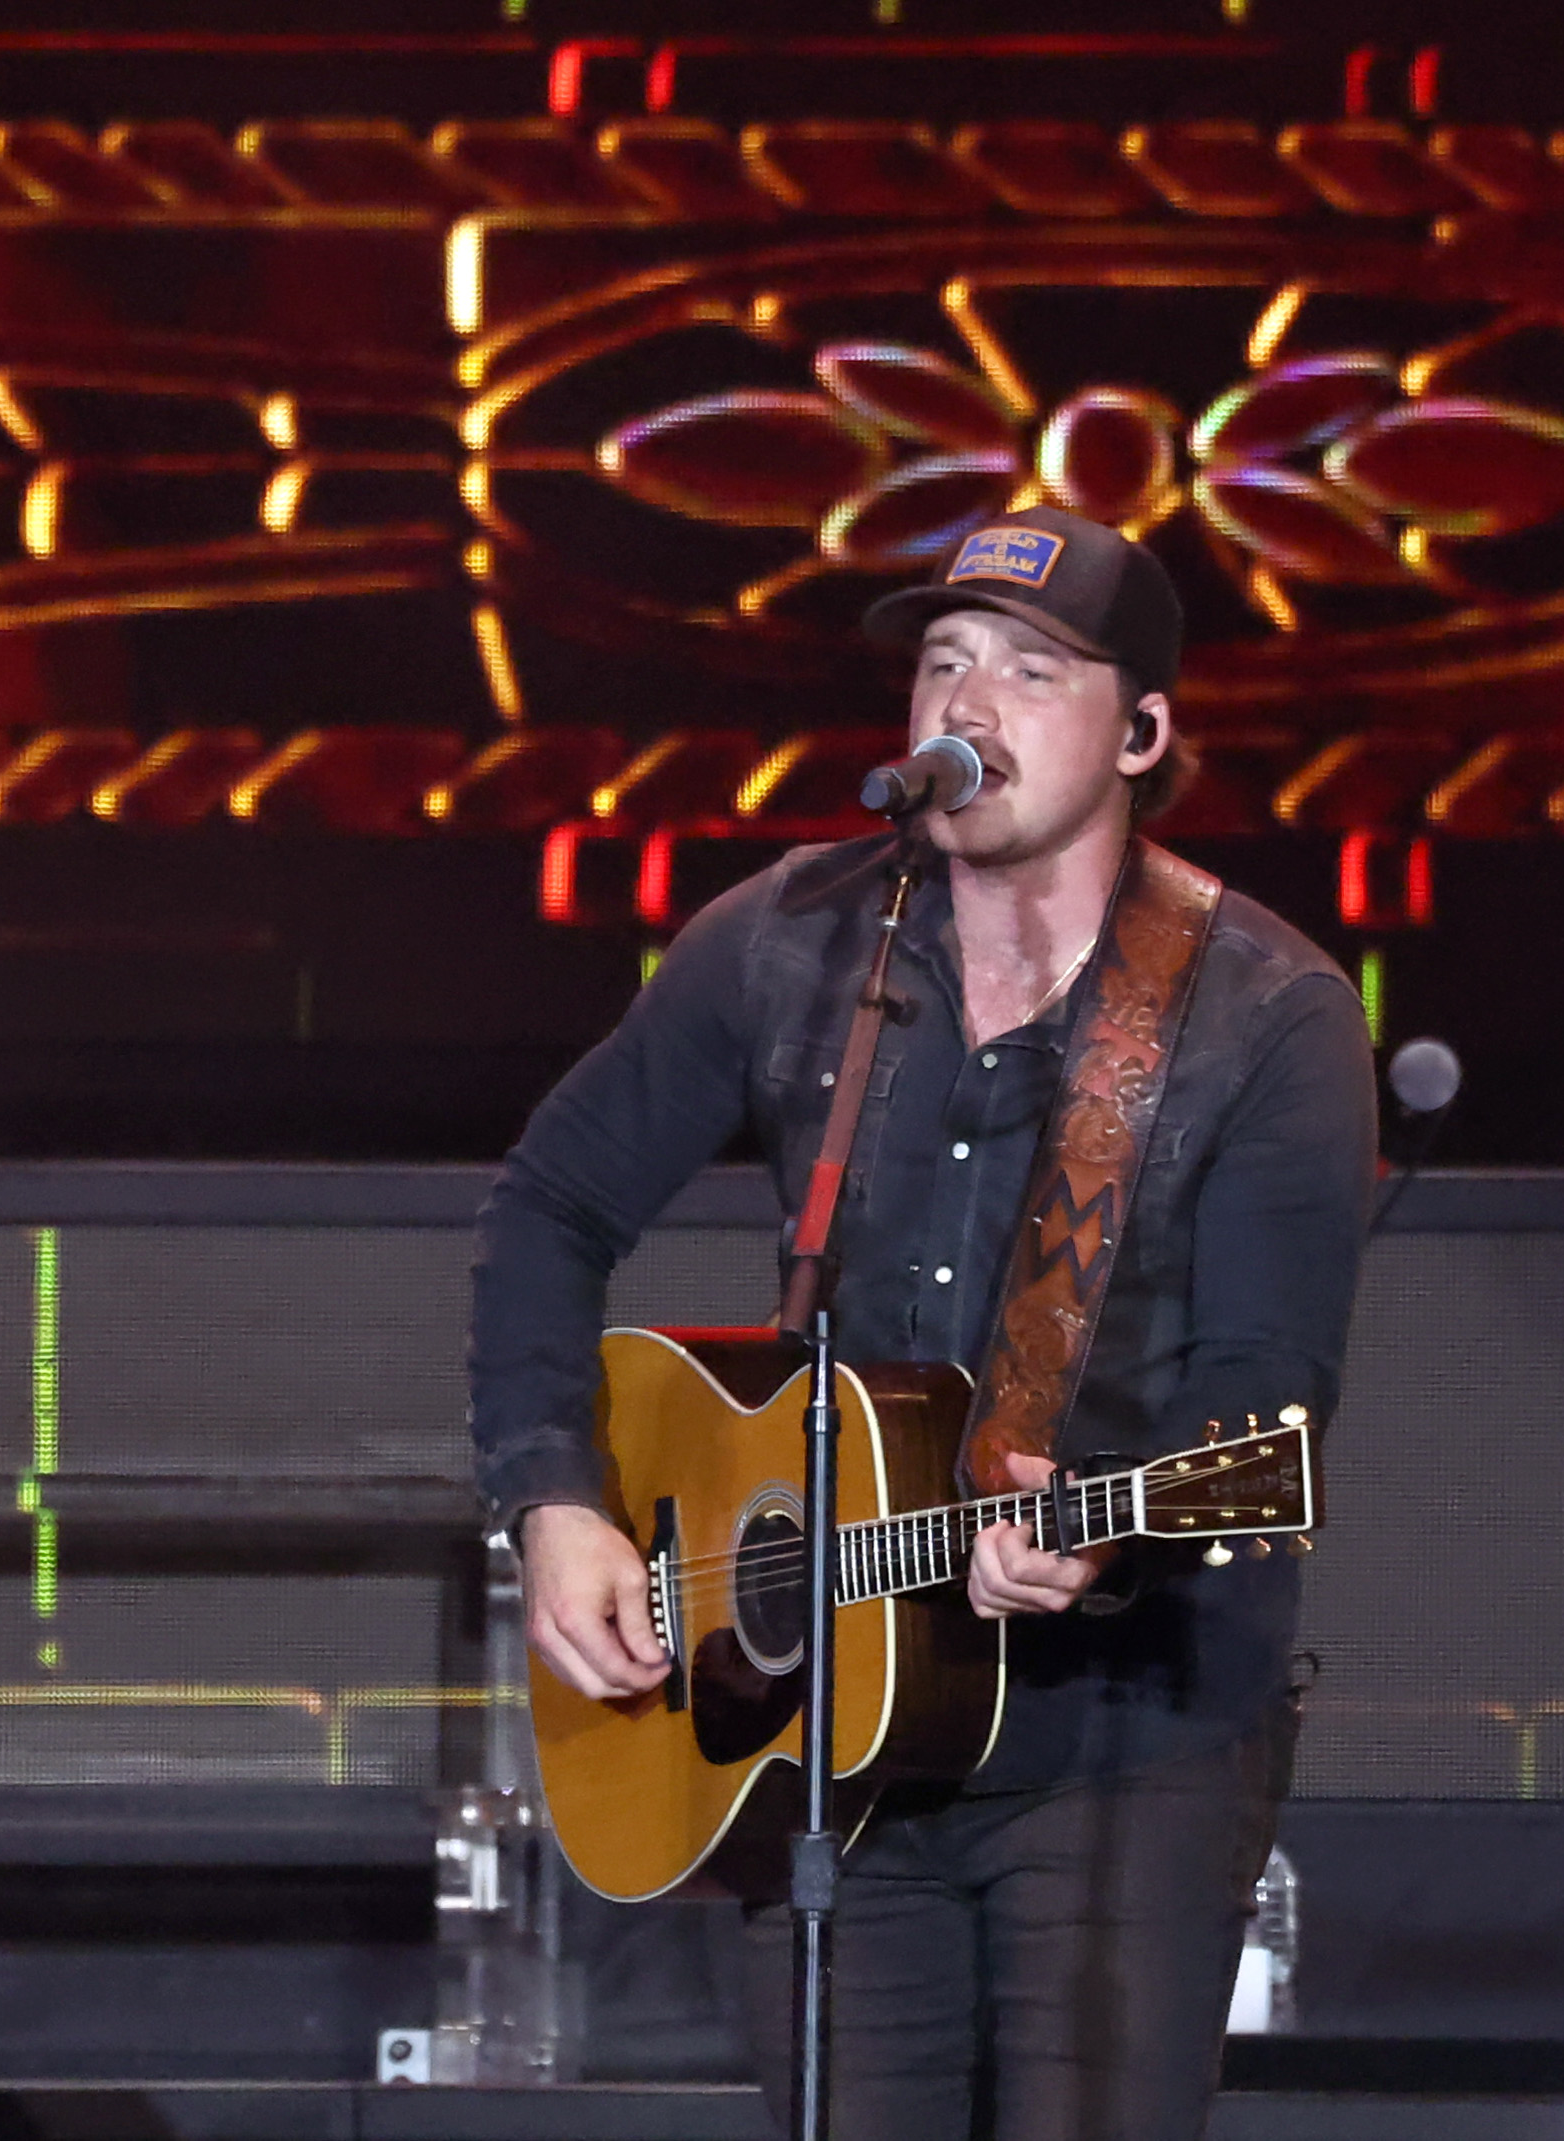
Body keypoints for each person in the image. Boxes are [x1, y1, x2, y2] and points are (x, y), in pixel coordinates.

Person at [467, 505, 1376, 2141]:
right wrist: (554, 1501)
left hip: (1123, 1739)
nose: (970, 703)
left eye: (1033, 671)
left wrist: (1112, 1533)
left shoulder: (1269, 1011)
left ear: (1145, 731)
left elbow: (1264, 1400)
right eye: (945, 663)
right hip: (827, 1739)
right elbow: (550, 1202)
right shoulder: (798, 939)